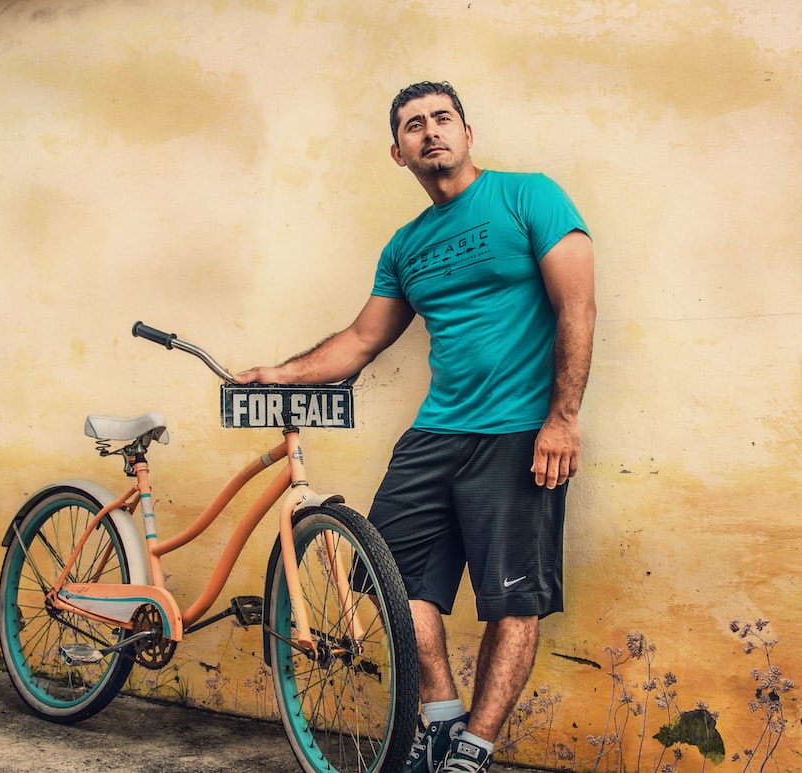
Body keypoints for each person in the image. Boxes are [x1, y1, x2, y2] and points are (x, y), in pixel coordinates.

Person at [236, 81, 596, 773]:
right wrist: (278, 373)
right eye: (412, 126)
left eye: (441, 119)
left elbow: (577, 307)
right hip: (435, 435)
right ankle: (440, 717)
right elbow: (361, 340)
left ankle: (474, 750)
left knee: (512, 599)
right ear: (398, 152)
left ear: (467, 131)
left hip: (518, 431)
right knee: (394, 582)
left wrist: (563, 418)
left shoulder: (530, 197)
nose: (429, 132)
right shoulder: (405, 246)